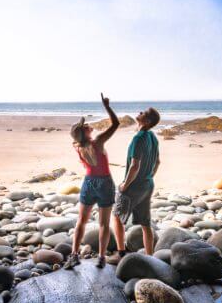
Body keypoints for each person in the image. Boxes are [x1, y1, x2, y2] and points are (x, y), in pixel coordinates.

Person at [63, 93, 119, 270]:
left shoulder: (79, 146)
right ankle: (101, 258)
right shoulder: (98, 142)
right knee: (103, 223)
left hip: (89, 182)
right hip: (104, 183)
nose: (88, 125)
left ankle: (74, 255)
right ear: (83, 132)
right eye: (85, 125)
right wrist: (107, 106)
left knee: (81, 221)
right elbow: (116, 124)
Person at [112, 106, 160, 259]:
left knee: (117, 217)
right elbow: (157, 162)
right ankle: (150, 257)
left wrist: (125, 185)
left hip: (134, 187)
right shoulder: (153, 137)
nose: (139, 113)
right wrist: (148, 176)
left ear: (147, 121)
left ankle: (120, 253)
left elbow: (134, 166)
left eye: (143, 113)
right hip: (148, 185)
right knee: (146, 224)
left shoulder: (138, 138)